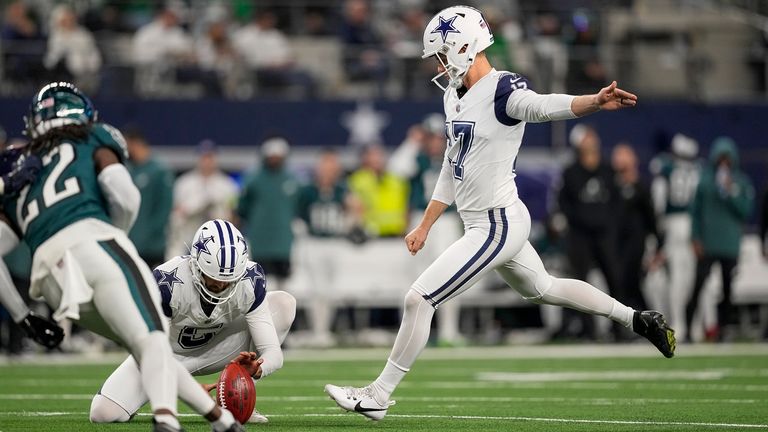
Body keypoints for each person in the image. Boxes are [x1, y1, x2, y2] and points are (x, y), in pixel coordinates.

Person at [325, 6, 675, 421]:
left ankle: (379, 394)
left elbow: (545, 106)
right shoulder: (452, 94)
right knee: (544, 288)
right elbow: (450, 166)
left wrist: (594, 101)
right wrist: (425, 223)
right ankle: (638, 320)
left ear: (464, 47)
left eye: (442, 55)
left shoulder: (502, 89)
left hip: (496, 222)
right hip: (488, 221)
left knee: (419, 299)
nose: (438, 66)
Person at [0, 82, 243, 432]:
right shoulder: (94, 138)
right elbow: (126, 196)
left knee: (145, 344)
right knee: (154, 337)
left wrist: (23, 316)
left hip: (50, 278)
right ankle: (167, 420)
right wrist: (116, 235)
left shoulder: (18, 170)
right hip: (97, 247)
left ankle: (220, 420)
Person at [90, 219, 297, 424]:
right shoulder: (167, 283)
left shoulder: (250, 280)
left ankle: (236, 398)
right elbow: (152, 349)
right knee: (103, 414)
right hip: (165, 354)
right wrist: (185, 388)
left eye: (229, 280)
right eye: (214, 279)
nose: (221, 286)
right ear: (195, 264)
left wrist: (258, 368)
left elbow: (273, 353)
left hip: (218, 349)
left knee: (283, 304)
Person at [685, 137, 755, 342]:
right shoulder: (705, 181)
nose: (724, 163)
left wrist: (731, 191)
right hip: (708, 244)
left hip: (729, 245)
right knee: (697, 287)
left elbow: (745, 210)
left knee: (727, 289)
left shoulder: (741, 182)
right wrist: (695, 237)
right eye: (721, 159)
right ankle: (688, 328)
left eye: (727, 159)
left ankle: (723, 330)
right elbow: (695, 212)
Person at [555, 124, 621, 340]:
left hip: (604, 233)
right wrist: (581, 221)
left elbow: (615, 201)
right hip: (580, 234)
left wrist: (608, 223)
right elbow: (564, 204)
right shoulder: (571, 172)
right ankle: (589, 329)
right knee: (580, 281)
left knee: (614, 278)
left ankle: (620, 327)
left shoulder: (607, 169)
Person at [649, 133, 701, 341]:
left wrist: (659, 229)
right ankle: (694, 327)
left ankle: (679, 324)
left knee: (676, 280)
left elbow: (659, 200)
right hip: (691, 224)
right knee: (689, 278)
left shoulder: (666, 168)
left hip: (672, 224)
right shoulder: (697, 170)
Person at [612, 143, 664, 330]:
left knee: (631, 282)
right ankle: (638, 325)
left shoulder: (641, 186)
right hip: (617, 243)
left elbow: (651, 217)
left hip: (636, 242)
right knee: (624, 284)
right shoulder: (613, 186)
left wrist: (659, 244)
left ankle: (648, 323)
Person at [237, 137, 299, 291]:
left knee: (285, 286)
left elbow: (299, 208)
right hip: (260, 242)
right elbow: (242, 209)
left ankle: (284, 315)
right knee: (261, 283)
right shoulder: (253, 179)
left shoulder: (292, 180)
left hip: (283, 243)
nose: (274, 159)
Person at [166, 139, 238, 259]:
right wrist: (194, 207)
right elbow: (175, 212)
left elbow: (233, 215)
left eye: (210, 157)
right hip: (188, 238)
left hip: (217, 241)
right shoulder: (184, 183)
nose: (207, 161)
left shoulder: (227, 185)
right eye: (204, 157)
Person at [125, 128, 174, 269]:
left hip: (153, 248)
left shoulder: (159, 170)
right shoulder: (130, 169)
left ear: (136, 143)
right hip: (132, 245)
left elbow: (164, 209)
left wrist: (148, 236)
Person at [348, 144, 409, 238]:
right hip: (370, 234)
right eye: (372, 156)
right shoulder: (358, 180)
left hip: (396, 233)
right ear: (365, 158)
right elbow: (355, 207)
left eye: (379, 155)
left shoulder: (396, 180)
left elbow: (405, 207)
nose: (376, 159)